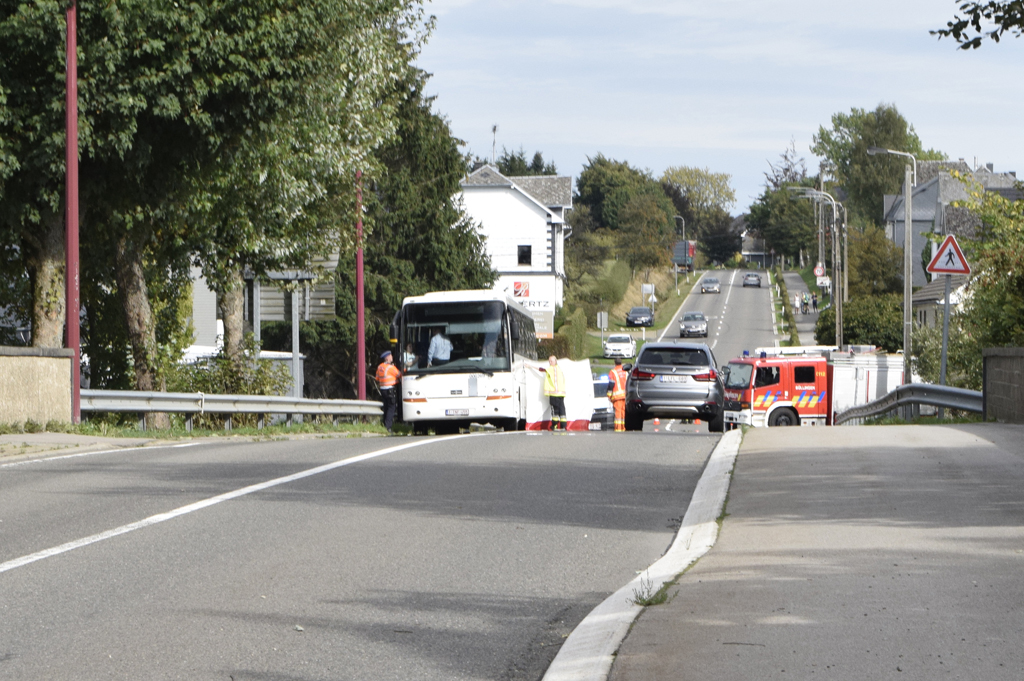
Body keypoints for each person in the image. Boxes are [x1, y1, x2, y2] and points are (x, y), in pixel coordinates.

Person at [534, 355, 567, 431]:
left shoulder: (551, 369)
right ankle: (563, 426)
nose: (549, 362)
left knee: (555, 410)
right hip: (561, 393)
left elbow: (542, 369)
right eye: (549, 361)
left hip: (554, 393)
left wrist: (531, 366)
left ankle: (554, 425)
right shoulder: (559, 369)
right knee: (562, 409)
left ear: (555, 361)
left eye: (551, 361)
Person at [375, 350, 401, 433]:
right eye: (390, 356)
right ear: (387, 358)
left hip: (383, 389)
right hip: (390, 389)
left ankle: (384, 425)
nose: (392, 357)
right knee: (391, 408)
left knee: (386, 407)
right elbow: (399, 374)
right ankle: (388, 427)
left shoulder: (380, 367)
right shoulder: (391, 368)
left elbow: (377, 378)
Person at [607, 358, 628, 432]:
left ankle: (618, 429)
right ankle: (624, 428)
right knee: (624, 413)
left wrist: (609, 395)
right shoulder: (625, 371)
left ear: (615, 363)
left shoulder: (613, 372)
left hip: (617, 397)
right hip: (626, 396)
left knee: (618, 414)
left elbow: (611, 384)